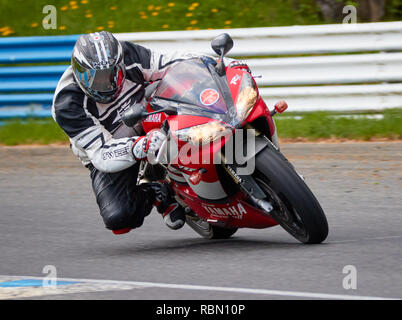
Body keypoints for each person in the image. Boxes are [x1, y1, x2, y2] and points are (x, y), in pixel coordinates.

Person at [51, 31, 198, 235]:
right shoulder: (67, 104)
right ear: (78, 72)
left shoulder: (129, 54)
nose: (105, 84)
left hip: (149, 117)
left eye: (112, 74)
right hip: (111, 151)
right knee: (119, 218)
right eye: (95, 78)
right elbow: (102, 154)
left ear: (120, 63)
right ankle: (156, 194)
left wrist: (214, 64)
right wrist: (141, 146)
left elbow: (171, 64)